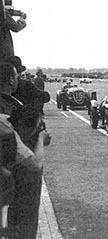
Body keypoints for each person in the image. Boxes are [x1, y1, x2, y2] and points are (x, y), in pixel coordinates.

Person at [0, 61, 49, 239]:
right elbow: (33, 164)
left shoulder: (13, 101)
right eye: (16, 76)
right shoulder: (8, 109)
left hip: (13, 176)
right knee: (21, 227)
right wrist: (40, 138)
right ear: (11, 80)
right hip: (19, 176)